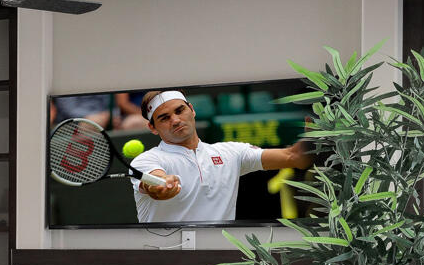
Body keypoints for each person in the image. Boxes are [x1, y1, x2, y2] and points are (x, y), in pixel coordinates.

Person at [129, 89, 310, 223]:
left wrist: (315, 137)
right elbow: (153, 182)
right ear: (152, 128)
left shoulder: (231, 153)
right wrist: (161, 185)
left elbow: (295, 157)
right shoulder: (146, 160)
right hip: (162, 256)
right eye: (164, 118)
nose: (175, 120)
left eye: (179, 111)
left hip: (219, 253)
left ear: (192, 110)